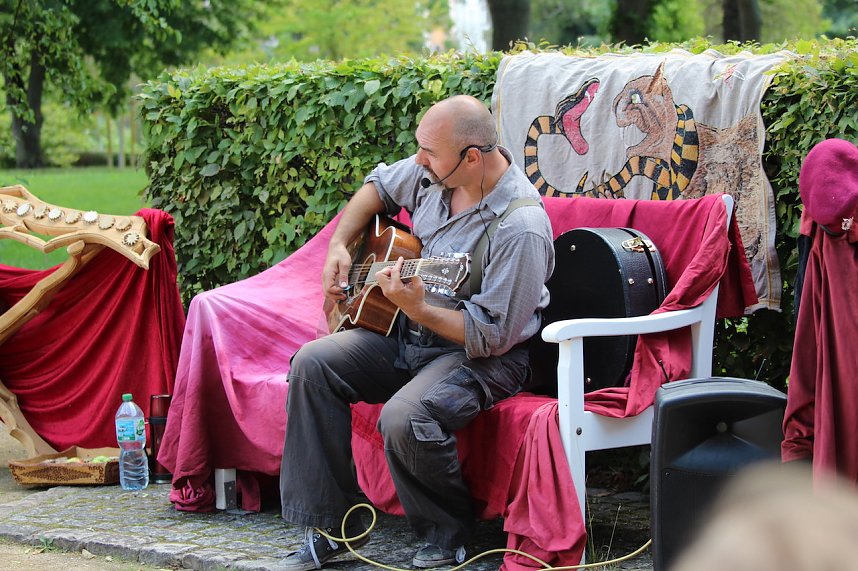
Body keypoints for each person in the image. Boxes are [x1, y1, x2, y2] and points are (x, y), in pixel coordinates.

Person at [278, 95, 555, 571]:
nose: (419, 161)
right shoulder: (435, 172)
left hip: (481, 356)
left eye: (429, 153)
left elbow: (492, 335)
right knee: (312, 365)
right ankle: (333, 528)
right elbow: (377, 187)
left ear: (472, 157)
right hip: (408, 332)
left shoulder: (521, 227)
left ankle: (449, 536)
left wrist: (419, 308)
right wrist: (339, 245)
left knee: (405, 416)